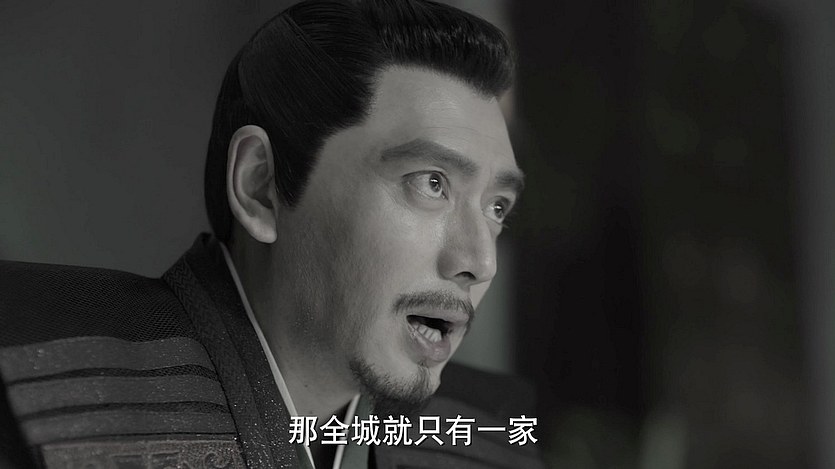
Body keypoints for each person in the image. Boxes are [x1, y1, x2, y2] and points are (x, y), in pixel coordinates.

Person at [0, 0, 544, 467]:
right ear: (260, 185)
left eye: (497, 207)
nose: (480, 261)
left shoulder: (488, 439)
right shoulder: (35, 380)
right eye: (431, 183)